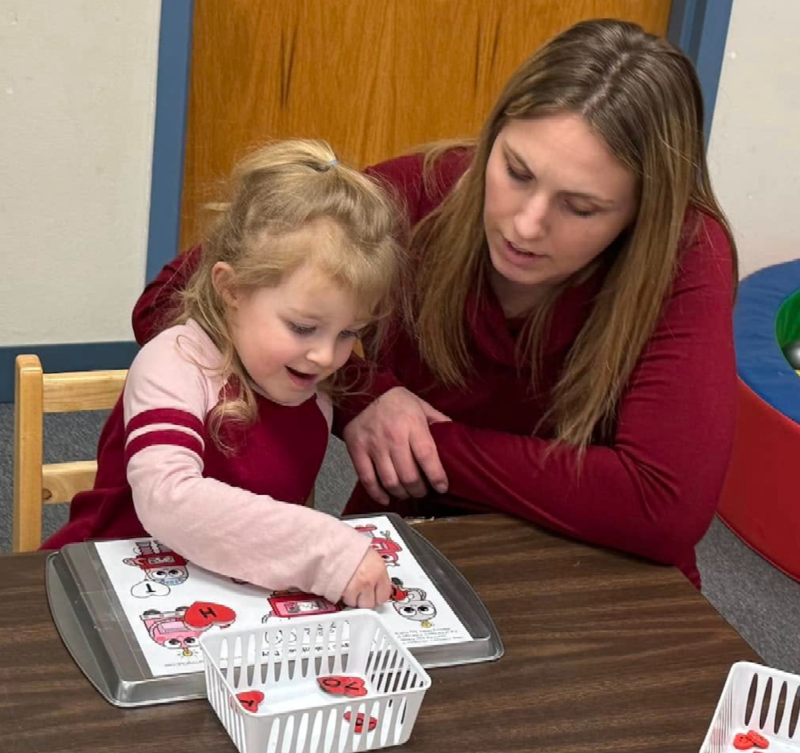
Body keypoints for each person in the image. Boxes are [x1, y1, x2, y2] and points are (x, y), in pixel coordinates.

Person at [128, 19, 738, 588]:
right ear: (492, 136)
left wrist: (426, 445)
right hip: (412, 548)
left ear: (644, 213)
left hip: (604, 572)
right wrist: (365, 393)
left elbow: (662, 507)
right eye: (516, 171)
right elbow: (172, 301)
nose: (526, 225)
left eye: (580, 208)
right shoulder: (428, 188)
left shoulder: (687, 251)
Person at [42, 139, 405, 608]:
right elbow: (168, 498)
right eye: (302, 327)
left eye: (347, 334)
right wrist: (327, 550)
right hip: (108, 578)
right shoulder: (175, 360)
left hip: (222, 595)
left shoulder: (310, 389)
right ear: (231, 288)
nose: (325, 357)